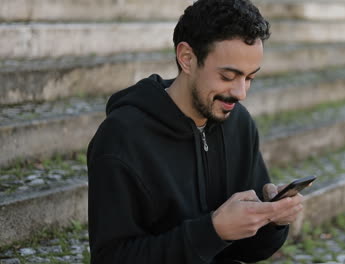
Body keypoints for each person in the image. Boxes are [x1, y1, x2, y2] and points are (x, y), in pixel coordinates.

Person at [86, 0, 304, 263]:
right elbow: (112, 258)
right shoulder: (122, 137)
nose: (241, 93)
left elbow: (250, 251)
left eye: (249, 78)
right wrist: (212, 232)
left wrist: (271, 220)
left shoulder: (239, 123)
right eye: (227, 77)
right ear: (187, 58)